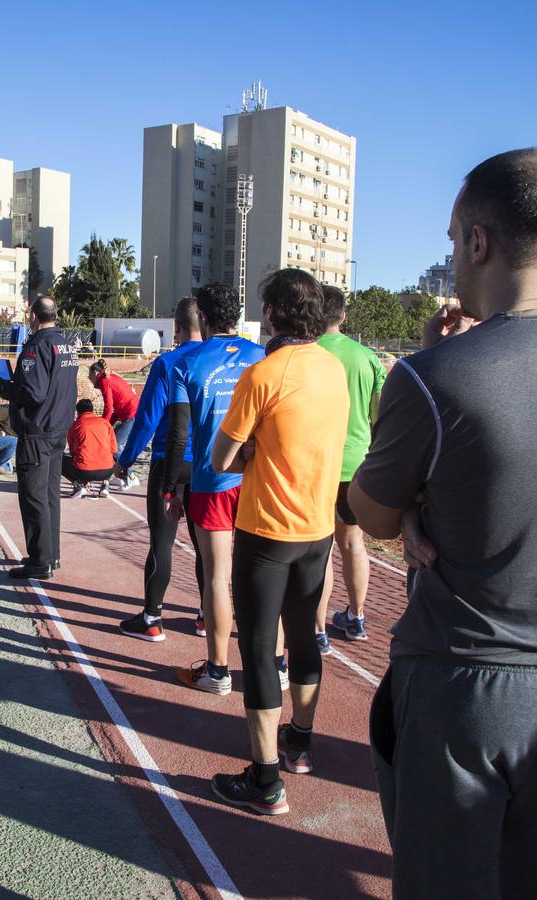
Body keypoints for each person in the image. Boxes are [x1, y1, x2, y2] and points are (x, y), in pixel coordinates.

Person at [349, 148, 537, 897]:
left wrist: (416, 493)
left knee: (443, 881)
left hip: (463, 679)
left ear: (478, 242)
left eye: (453, 240)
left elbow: (373, 512)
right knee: (532, 871)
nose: (452, 256)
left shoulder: (432, 378)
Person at [205, 269, 348, 815]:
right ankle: (301, 742)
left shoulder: (264, 374)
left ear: (271, 314)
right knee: (306, 635)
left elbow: (222, 459)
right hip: (319, 528)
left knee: (261, 648)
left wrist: (252, 456)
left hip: (267, 530)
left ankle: (265, 780)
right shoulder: (333, 367)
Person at [163, 283, 264, 693]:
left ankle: (218, 671)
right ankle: (273, 664)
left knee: (218, 578)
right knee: (261, 575)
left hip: (211, 479)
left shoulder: (186, 363)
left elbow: (179, 431)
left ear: (201, 317)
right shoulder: (260, 357)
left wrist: (171, 488)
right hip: (255, 478)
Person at [116, 297, 205, 642]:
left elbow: (147, 419)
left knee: (162, 544)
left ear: (177, 328)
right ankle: (205, 616)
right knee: (206, 547)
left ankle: (152, 618)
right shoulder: (217, 361)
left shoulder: (167, 363)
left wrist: (124, 461)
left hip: (169, 461)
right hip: (208, 466)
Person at [311, 286, 386, 652]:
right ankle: (356, 618)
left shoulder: (309, 354)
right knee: (353, 542)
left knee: (321, 548)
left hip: (319, 463)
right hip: (358, 462)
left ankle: (317, 629)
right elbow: (379, 416)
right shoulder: (368, 358)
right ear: (343, 316)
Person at [0, 296, 78, 581]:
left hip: (38, 430)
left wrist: (0, 385)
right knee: (50, 496)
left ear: (34, 318)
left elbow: (33, 393)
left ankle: (41, 560)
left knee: (34, 496)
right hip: (58, 428)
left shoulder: (37, 346)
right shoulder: (65, 344)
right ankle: (50, 555)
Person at [87, 359, 140, 487]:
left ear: (95, 373)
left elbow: (109, 407)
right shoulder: (108, 378)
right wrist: (107, 424)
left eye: (90, 377)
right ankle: (120, 475)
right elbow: (115, 407)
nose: (90, 379)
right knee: (114, 443)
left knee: (113, 446)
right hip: (131, 412)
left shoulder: (105, 381)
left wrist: (102, 425)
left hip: (131, 413)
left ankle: (131, 476)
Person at [62, 398, 117, 498]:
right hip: (107, 470)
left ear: (78, 412)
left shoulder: (75, 426)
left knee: (61, 460)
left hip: (84, 472)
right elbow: (114, 449)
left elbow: (73, 452)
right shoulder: (105, 423)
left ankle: (78, 485)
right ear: (92, 410)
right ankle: (105, 485)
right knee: (110, 457)